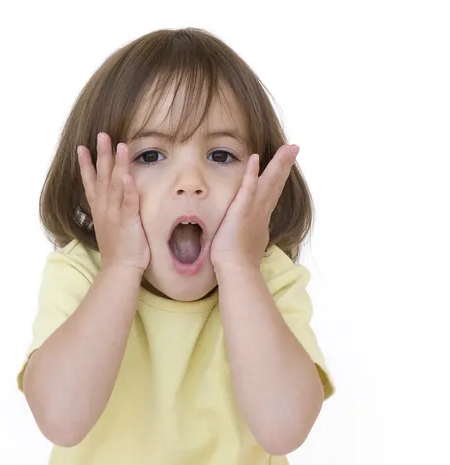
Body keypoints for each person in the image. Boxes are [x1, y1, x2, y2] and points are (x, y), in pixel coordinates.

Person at [17, 27, 335, 465]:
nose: (190, 183)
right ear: (95, 181)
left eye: (221, 155)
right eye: (151, 156)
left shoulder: (268, 277)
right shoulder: (82, 272)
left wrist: (239, 268)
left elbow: (284, 428)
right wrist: (120, 266)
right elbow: (60, 417)